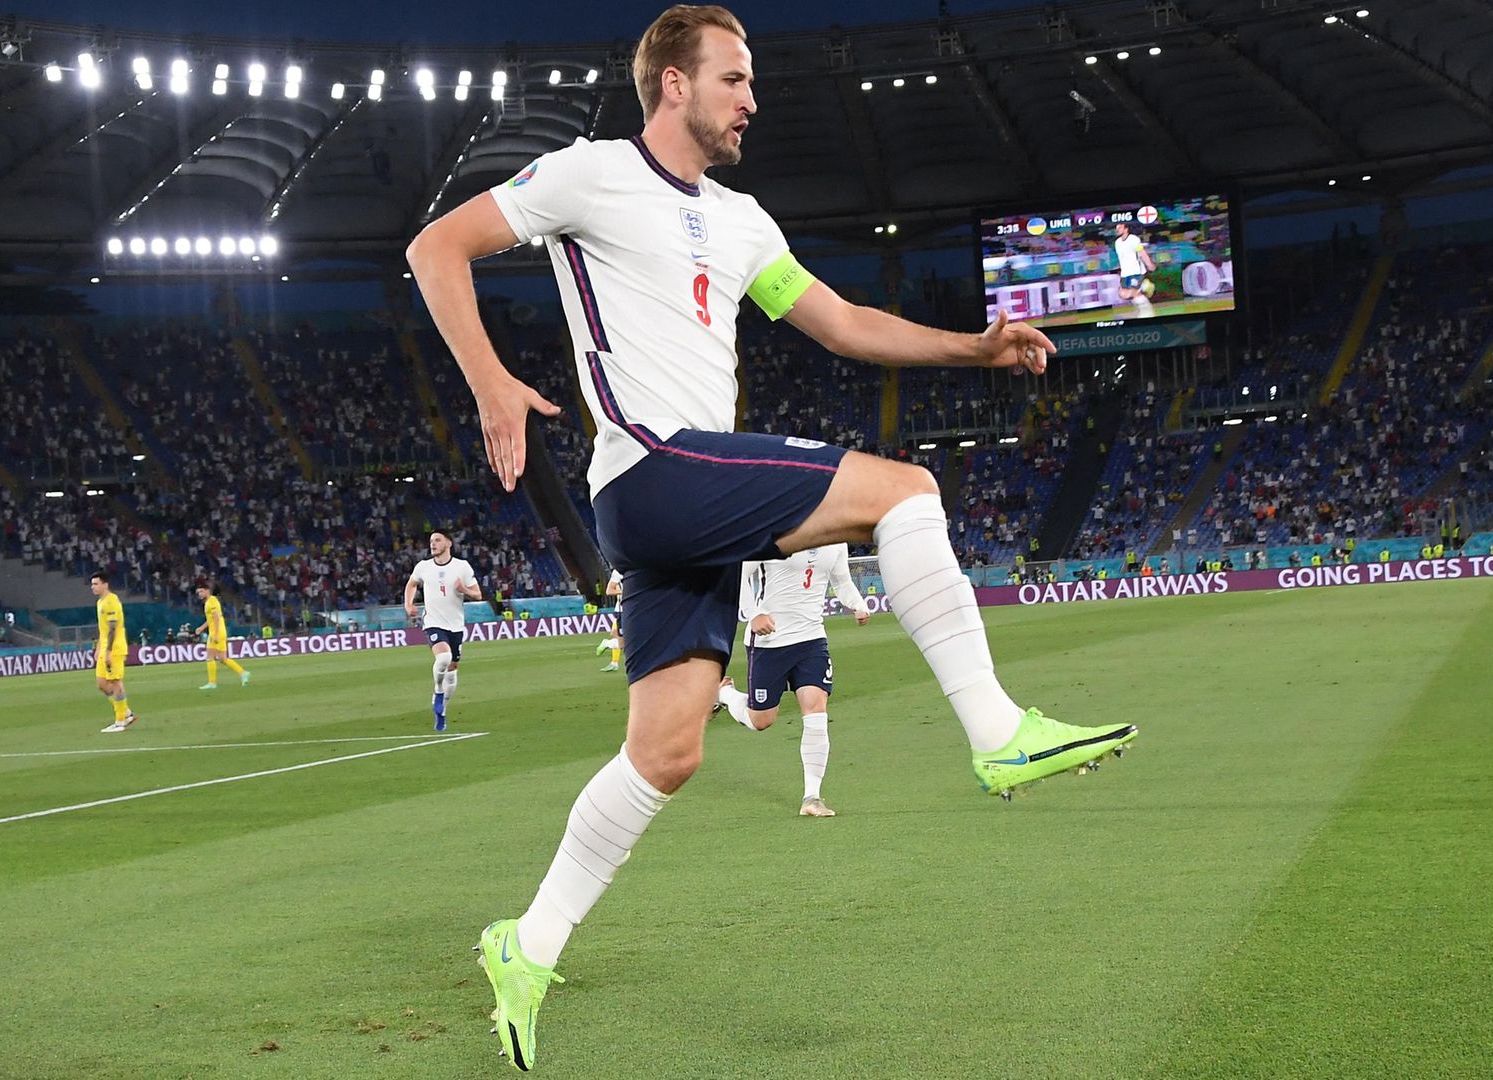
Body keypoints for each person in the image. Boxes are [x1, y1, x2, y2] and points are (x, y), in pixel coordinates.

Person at [405, 5, 1139, 1070]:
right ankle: (994, 731)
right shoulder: (588, 174)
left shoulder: (744, 222)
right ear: (672, 84)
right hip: (657, 469)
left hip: (676, 516)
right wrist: (492, 385)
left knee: (666, 753)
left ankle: (527, 943)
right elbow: (439, 248)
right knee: (904, 489)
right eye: (735, 79)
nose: (754, 100)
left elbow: (839, 323)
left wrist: (973, 350)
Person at [714, 543, 870, 817]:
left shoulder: (836, 539)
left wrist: (857, 603)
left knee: (816, 707)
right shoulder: (773, 531)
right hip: (769, 641)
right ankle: (724, 694)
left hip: (811, 638)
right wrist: (754, 614)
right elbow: (736, 577)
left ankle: (812, 797)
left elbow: (842, 581)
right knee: (761, 720)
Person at [403, 531, 483, 731]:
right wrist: (408, 604)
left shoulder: (462, 567)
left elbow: (478, 594)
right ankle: (437, 691)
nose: (433, 544)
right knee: (444, 658)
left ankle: (442, 710)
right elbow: (411, 584)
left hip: (455, 625)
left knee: (452, 669)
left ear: (448, 543)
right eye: (430, 541)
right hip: (433, 622)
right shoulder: (423, 567)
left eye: (437, 540)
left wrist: (464, 590)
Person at [90, 571, 137, 734]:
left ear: (105, 584)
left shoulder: (111, 601)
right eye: (92, 584)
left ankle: (120, 721)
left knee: (116, 682)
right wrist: (98, 648)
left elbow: (112, 628)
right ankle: (127, 713)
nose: (93, 587)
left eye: (96, 584)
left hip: (114, 648)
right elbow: (102, 629)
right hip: (104, 647)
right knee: (101, 683)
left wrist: (108, 650)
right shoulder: (100, 602)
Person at [194, 579, 250, 690]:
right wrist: (201, 628)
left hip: (216, 632)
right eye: (198, 592)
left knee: (210, 657)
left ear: (207, 591)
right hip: (220, 632)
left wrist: (214, 635)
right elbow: (211, 619)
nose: (199, 594)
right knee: (222, 658)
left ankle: (212, 683)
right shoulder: (210, 602)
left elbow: (216, 618)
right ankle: (243, 673)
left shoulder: (211, 601)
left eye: (201, 591)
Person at [1112, 220, 1158, 309]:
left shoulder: (1134, 239)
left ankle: (1146, 312)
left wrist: (1150, 265)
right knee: (1123, 294)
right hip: (1125, 273)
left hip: (1136, 271)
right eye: (1117, 228)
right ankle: (1144, 286)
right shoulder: (1117, 242)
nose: (1117, 229)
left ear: (1126, 229)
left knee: (1134, 292)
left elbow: (1142, 252)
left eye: (1120, 227)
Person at [595, 569, 625, 672]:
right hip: (623, 611)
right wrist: (625, 592)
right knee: (623, 642)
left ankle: (614, 662)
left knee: (617, 636)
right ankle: (607, 645)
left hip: (635, 610)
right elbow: (609, 591)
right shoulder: (619, 572)